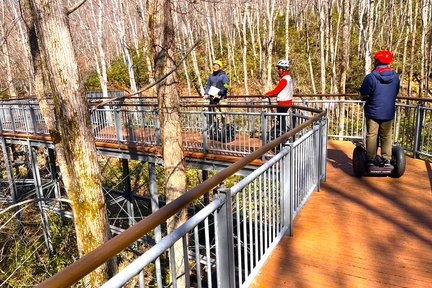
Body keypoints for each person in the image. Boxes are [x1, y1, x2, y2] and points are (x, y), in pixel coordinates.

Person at [359, 50, 400, 168]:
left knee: (372, 134)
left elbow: (364, 93)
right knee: (386, 136)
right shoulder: (395, 77)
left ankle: (370, 159)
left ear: (377, 61)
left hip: (373, 111)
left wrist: (363, 96)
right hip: (388, 111)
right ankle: (387, 159)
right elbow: (395, 92)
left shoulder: (371, 77)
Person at [262, 59, 293, 132]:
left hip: (283, 103)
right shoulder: (288, 78)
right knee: (281, 119)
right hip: (287, 101)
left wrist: (266, 94)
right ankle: (283, 133)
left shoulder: (284, 79)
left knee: (281, 119)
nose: (278, 70)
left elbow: (276, 91)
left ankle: (282, 135)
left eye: (279, 68)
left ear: (284, 69)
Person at [203, 60, 230, 127]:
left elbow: (226, 86)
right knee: (217, 116)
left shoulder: (223, 76)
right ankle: (219, 132)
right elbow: (208, 85)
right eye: (214, 65)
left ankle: (227, 130)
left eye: (216, 65)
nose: (214, 67)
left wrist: (219, 93)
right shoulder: (211, 76)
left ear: (220, 67)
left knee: (224, 115)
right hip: (214, 99)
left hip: (222, 99)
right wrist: (206, 93)